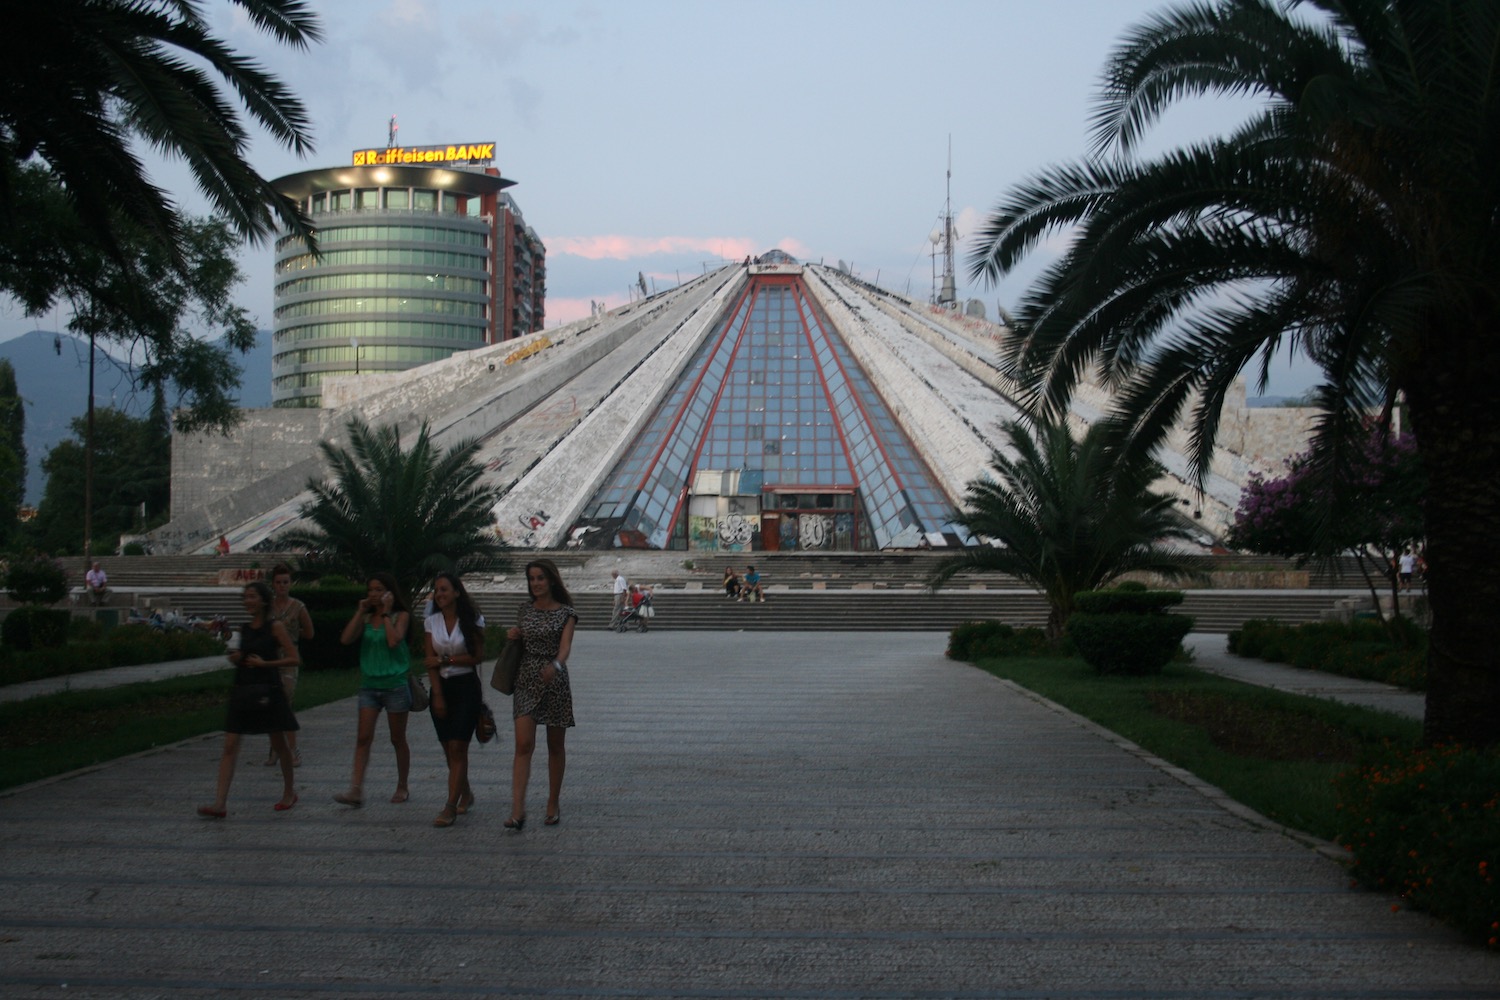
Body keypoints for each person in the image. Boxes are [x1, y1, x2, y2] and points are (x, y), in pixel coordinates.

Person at [197, 581, 300, 818]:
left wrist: (266, 664)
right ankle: (220, 803)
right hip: (243, 689)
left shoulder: (276, 628)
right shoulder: (244, 629)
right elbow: (246, 655)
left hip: (268, 690)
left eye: (252, 596)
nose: (247, 601)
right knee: (230, 745)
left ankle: (289, 792)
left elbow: (295, 659)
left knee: (279, 744)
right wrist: (237, 658)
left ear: (263, 600)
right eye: (245, 597)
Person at [506, 558, 577, 830]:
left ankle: (552, 801)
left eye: (540, 578)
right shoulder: (524, 610)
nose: (535, 583)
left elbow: (565, 649)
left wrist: (555, 666)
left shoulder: (566, 613)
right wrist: (514, 635)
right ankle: (517, 810)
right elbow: (521, 641)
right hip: (527, 679)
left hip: (554, 680)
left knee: (555, 746)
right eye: (532, 579)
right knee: (523, 745)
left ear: (551, 580)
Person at [334, 572, 413, 807]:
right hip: (370, 686)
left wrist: (387, 613)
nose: (374, 594)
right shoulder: (367, 618)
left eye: (379, 589)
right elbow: (346, 639)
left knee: (397, 738)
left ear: (389, 592)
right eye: (371, 590)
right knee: (363, 738)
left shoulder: (401, 615)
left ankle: (402, 785)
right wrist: (360, 611)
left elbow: (393, 641)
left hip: (394, 685)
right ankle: (356, 789)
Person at [423, 572, 485, 828]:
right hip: (441, 688)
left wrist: (445, 660)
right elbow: (429, 661)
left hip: (466, 686)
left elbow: (477, 656)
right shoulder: (431, 622)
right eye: (437, 590)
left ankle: (449, 806)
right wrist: (436, 694)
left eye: (445, 589)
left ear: (457, 592)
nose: (440, 594)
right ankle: (465, 793)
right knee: (449, 749)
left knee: (459, 746)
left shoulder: (472, 620)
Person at [264, 564, 314, 768]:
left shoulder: (298, 607)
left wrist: (290, 635)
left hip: (289, 659)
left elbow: (309, 632)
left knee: (285, 702)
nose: (282, 586)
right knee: (272, 705)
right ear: (273, 584)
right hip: (269, 659)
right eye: (278, 582)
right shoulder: (267, 607)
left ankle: (292, 749)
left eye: (285, 582)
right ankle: (275, 747)